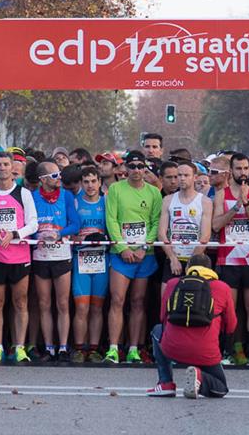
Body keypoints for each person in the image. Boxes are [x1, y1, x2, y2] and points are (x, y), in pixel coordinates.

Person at [0, 152, 39, 363]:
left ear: (12, 168)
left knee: (20, 302)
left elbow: (33, 223)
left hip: (19, 255)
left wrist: (15, 234)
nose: (2, 168)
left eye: (5, 164)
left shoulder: (23, 194)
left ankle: (19, 347)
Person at [147, 254, 236, 399]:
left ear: (188, 268)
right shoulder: (222, 288)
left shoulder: (172, 284)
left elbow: (162, 317)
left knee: (157, 330)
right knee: (220, 388)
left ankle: (166, 383)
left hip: (173, 348)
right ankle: (199, 377)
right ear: (211, 269)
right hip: (206, 352)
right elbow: (231, 326)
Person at [104, 150, 162, 364]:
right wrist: (123, 248)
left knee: (138, 301)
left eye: (140, 166)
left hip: (144, 254)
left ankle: (134, 349)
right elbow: (111, 220)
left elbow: (156, 222)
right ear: (125, 169)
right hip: (121, 254)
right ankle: (113, 348)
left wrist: (144, 247)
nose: (136, 170)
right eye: (132, 166)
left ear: (145, 168)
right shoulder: (116, 189)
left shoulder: (154, 192)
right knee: (117, 300)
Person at [212, 153, 249, 365]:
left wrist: (247, 204)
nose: (243, 173)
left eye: (246, 169)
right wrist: (236, 207)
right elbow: (216, 225)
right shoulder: (221, 195)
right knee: (229, 308)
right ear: (230, 171)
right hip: (228, 259)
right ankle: (226, 352)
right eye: (238, 169)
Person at [31, 161, 81, 361]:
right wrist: (37, 235)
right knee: (44, 303)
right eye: (54, 175)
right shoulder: (32, 196)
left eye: (59, 174)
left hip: (61, 255)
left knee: (62, 303)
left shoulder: (66, 196)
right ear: (42, 179)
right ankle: (49, 347)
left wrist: (59, 234)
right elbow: (28, 225)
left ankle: (63, 347)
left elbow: (76, 224)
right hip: (40, 256)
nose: (59, 178)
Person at [71, 166, 110, 362]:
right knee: (82, 308)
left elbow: (113, 228)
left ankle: (93, 349)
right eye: (86, 182)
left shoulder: (107, 202)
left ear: (100, 182)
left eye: (94, 181)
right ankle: (79, 348)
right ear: (81, 183)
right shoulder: (75, 202)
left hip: (101, 259)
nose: (90, 185)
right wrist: (80, 238)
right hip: (81, 259)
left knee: (97, 307)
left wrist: (104, 238)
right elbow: (69, 231)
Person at [158, 161, 212, 292]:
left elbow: (205, 235)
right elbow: (161, 233)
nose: (181, 178)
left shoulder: (205, 201)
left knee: (194, 300)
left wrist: (192, 262)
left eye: (186, 175)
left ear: (195, 177)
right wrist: (172, 258)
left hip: (196, 259)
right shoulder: (168, 200)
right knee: (166, 298)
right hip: (173, 257)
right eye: (179, 175)